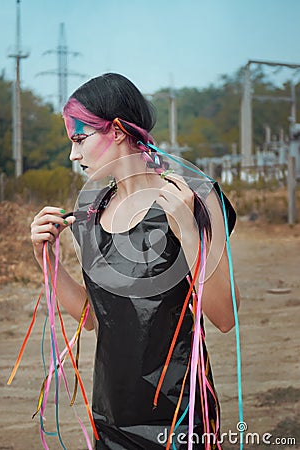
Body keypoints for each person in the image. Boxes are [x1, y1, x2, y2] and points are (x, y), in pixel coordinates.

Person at [31, 73, 240, 450]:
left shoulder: (195, 197)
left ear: (116, 130)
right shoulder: (89, 214)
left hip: (180, 418)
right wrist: (46, 259)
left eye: (80, 139)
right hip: (110, 417)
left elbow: (225, 317)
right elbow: (95, 318)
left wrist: (187, 230)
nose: (73, 155)